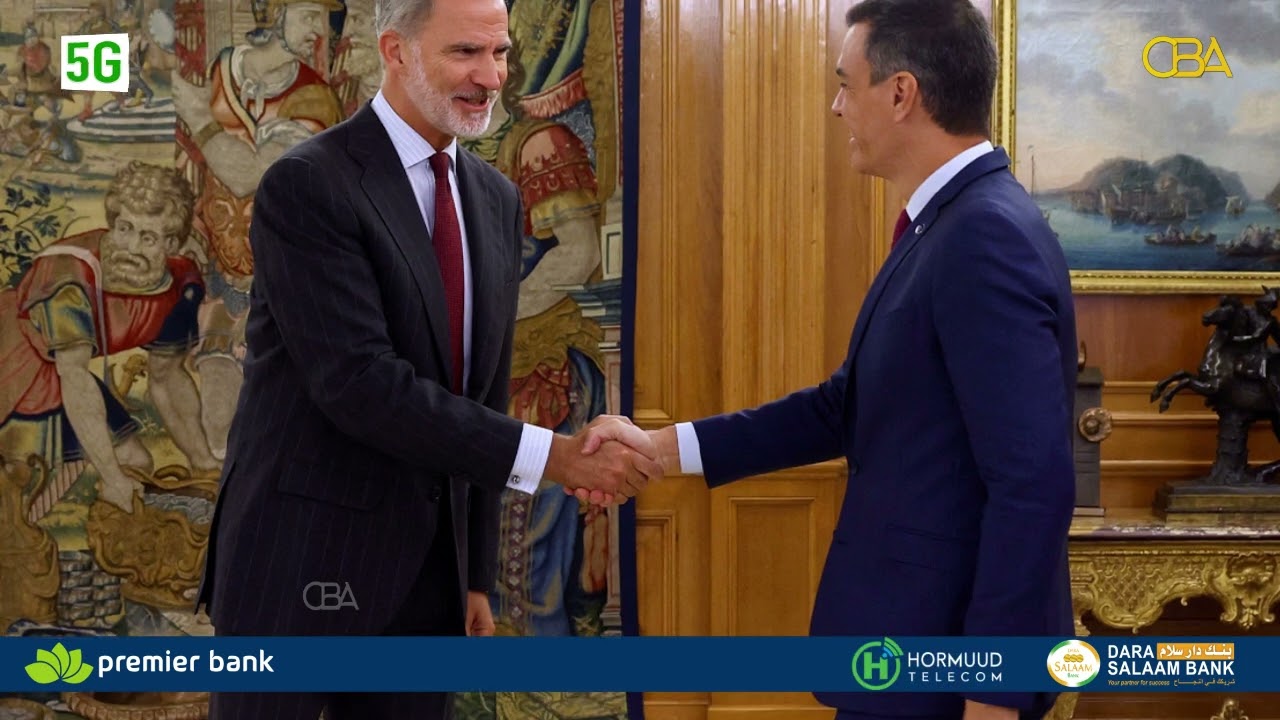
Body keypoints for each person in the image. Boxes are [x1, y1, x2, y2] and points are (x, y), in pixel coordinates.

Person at [587, 1, 1076, 718]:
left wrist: (994, 693)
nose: (837, 105)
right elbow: (844, 407)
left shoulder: (982, 236)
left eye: (847, 83)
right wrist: (660, 449)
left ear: (902, 93)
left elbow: (1033, 482)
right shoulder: (948, 226)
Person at [196, 0, 658, 717]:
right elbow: (360, 384)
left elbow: (481, 390)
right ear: (395, 51)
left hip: (426, 581)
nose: (491, 77)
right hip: (297, 567)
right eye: (465, 53)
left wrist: (472, 574)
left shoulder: (496, 199)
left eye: (500, 54)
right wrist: (559, 459)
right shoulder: (308, 183)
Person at [0, 162, 213, 521]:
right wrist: (112, 478)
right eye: (124, 228)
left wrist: (202, 461)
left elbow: (167, 378)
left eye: (147, 237)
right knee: (23, 492)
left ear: (171, 244)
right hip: (17, 364)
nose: (130, 246)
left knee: (136, 463)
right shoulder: (68, 276)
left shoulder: (180, 287)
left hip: (60, 369)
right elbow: (74, 376)